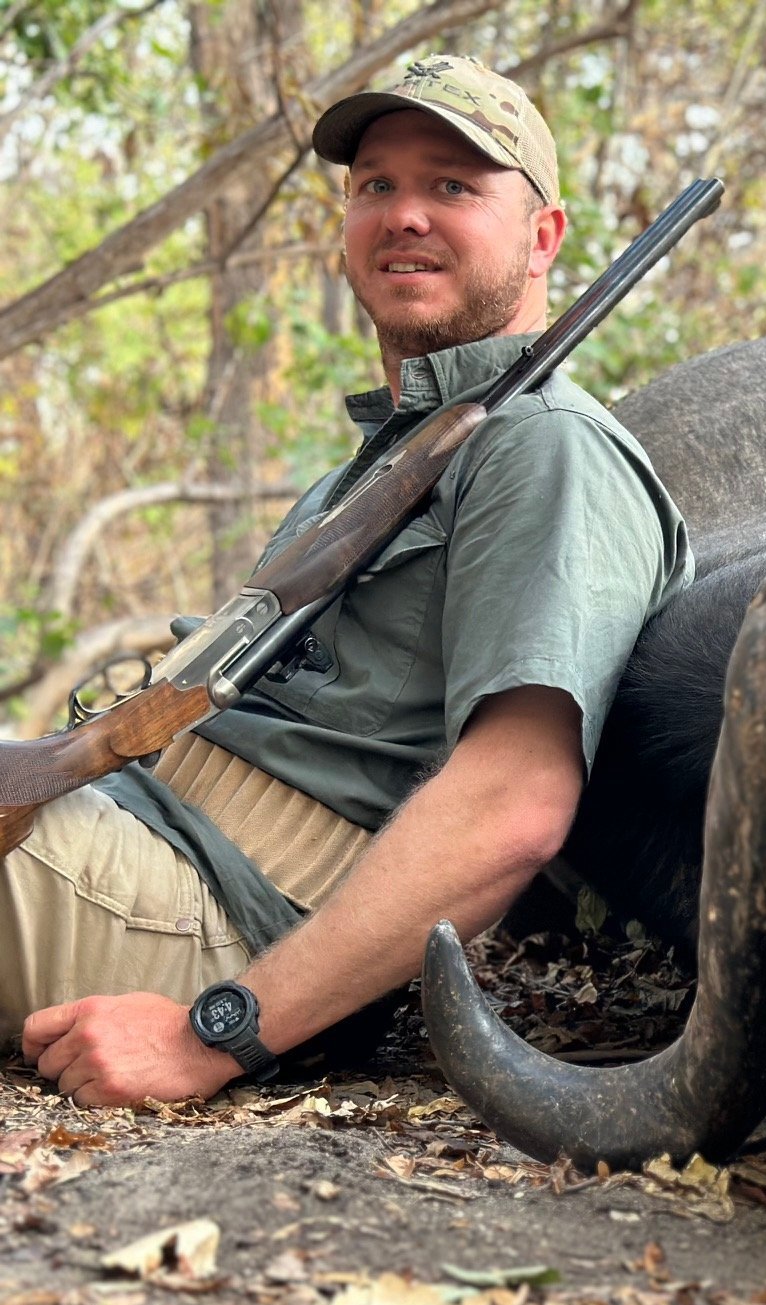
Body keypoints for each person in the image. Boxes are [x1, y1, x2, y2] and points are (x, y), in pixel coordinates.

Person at [6, 56, 690, 1107]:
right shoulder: (373, 465)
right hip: (133, 829)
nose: (405, 214)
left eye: (454, 186)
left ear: (545, 237)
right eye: (377, 185)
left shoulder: (546, 449)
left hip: (222, 920)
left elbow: (514, 805)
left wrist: (208, 1036)